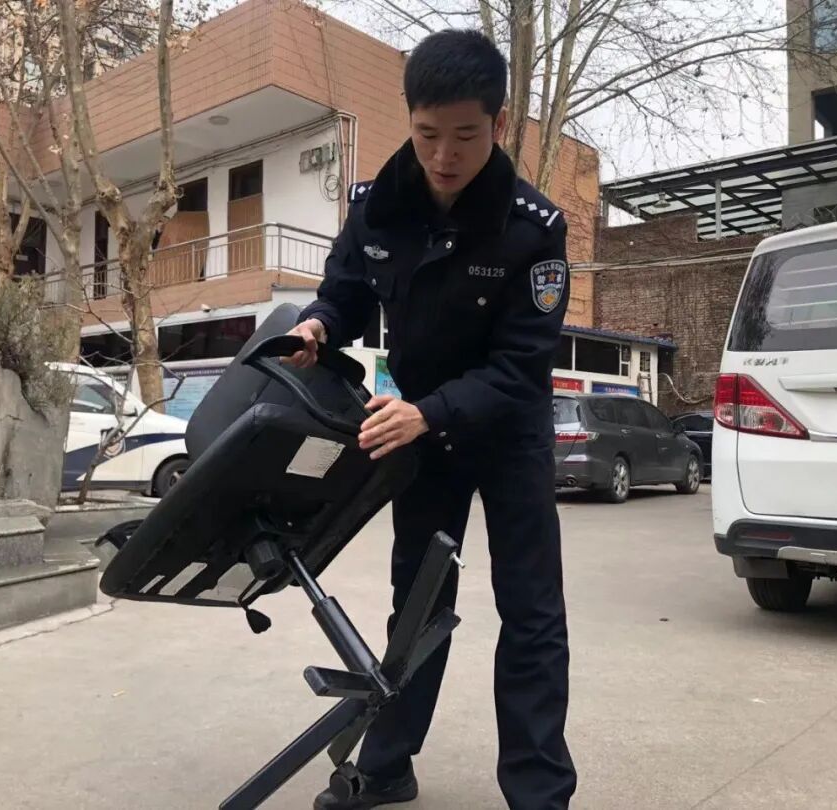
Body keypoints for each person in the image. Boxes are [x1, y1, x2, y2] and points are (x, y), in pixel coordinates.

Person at [285, 28, 577, 810]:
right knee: (417, 605)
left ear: (499, 124)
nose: (444, 155)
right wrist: (318, 326)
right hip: (421, 435)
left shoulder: (533, 229)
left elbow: (521, 367)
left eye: (466, 136)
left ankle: (540, 791)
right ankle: (388, 765)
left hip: (508, 433)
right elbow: (346, 293)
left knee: (531, 611)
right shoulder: (377, 209)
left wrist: (429, 412)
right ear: (408, 118)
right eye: (427, 134)